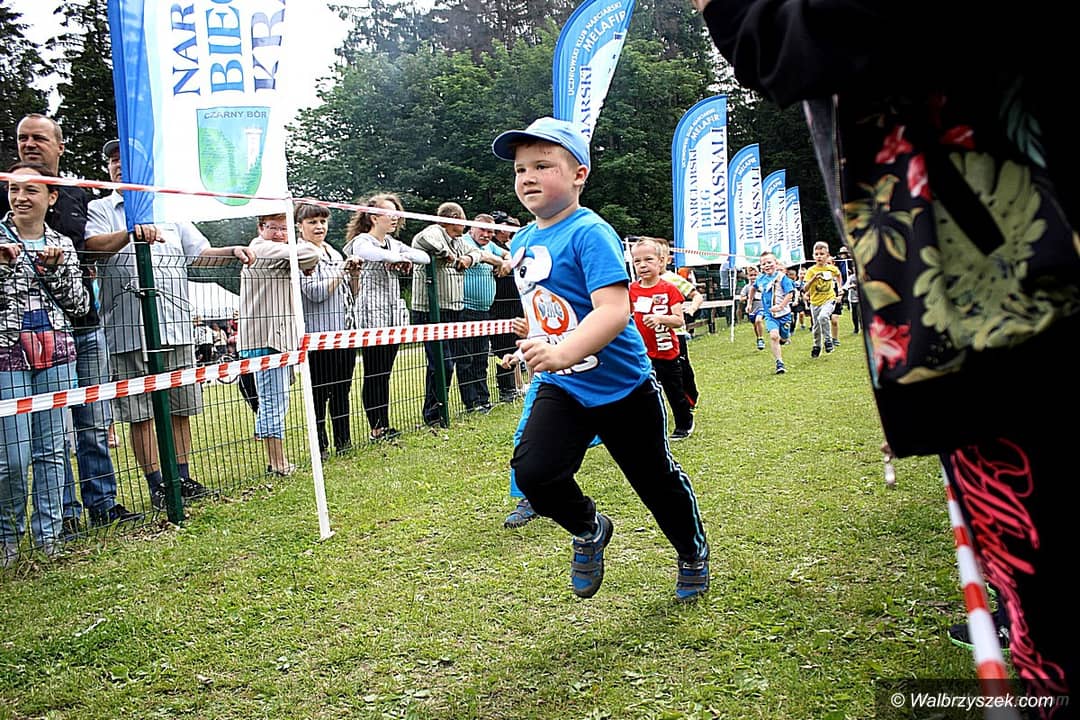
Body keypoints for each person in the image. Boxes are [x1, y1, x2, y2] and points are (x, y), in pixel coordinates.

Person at [694, 0, 1078, 710]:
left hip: (1017, 300)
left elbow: (814, 37)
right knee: (1025, 587)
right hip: (988, 298)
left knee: (1047, 611)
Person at [491, 116, 709, 602]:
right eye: (521, 169)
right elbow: (550, 305)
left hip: (622, 387)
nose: (527, 177)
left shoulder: (591, 231)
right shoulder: (522, 241)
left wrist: (560, 350)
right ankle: (590, 528)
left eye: (542, 166)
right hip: (564, 385)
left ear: (579, 175)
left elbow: (612, 311)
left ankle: (691, 552)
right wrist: (532, 337)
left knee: (654, 481)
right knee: (534, 474)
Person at [86, 139, 254, 511]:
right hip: (127, 327)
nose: (118, 165)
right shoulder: (101, 208)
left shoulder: (170, 209)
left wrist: (231, 252)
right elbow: (93, 247)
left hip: (175, 326)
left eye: (126, 159)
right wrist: (130, 233)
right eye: (112, 160)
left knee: (181, 406)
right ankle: (157, 485)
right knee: (140, 412)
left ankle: (181, 477)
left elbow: (199, 255)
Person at [1, 115, 141, 536]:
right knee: (29, 443)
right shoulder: (5, 189)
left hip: (79, 323)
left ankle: (98, 504)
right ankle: (59, 517)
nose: (29, 144)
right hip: (14, 342)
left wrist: (122, 237)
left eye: (39, 138)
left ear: (59, 147)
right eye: (22, 138)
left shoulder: (79, 194)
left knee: (88, 421)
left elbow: (86, 250)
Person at [0, 161, 90, 562]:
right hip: (7, 356)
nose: (20, 197)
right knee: (12, 456)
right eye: (14, 189)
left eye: (31, 190)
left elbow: (80, 305)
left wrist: (54, 271)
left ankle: (48, 540)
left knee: (52, 450)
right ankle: (7, 539)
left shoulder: (63, 244)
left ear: (51, 197)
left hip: (55, 354)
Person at [238, 212, 320, 476]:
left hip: (277, 337)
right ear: (260, 228)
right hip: (265, 338)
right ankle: (277, 462)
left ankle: (275, 456)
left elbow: (309, 258)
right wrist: (300, 258)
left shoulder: (279, 253)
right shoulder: (261, 248)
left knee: (276, 399)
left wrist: (302, 262)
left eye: (284, 229)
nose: (279, 234)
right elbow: (311, 252)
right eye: (273, 227)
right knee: (273, 401)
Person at [344, 193, 430, 441]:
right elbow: (369, 254)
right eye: (390, 214)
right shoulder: (362, 241)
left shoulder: (393, 243)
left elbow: (423, 257)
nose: (395, 218)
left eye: (396, 214)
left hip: (392, 313)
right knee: (374, 371)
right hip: (372, 313)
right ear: (374, 217)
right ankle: (377, 427)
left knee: (385, 371)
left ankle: (384, 424)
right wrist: (397, 258)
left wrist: (403, 257)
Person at [409, 202, 481, 428]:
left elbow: (476, 252)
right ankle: (433, 414)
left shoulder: (459, 241)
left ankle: (438, 411)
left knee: (449, 363)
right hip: (430, 311)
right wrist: (446, 254)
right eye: (463, 219)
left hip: (453, 309)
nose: (465, 225)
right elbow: (423, 240)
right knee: (442, 364)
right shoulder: (433, 231)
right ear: (453, 218)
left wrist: (467, 260)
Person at [296, 202, 359, 460]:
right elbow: (315, 292)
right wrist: (342, 271)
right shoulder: (300, 254)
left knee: (342, 391)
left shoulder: (333, 252)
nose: (319, 226)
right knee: (319, 394)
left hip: (344, 334)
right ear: (300, 226)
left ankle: (344, 442)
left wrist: (354, 275)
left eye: (322, 221)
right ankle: (320, 446)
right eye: (312, 222)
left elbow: (351, 294)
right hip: (318, 337)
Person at [629, 238, 694, 440]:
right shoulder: (631, 290)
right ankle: (647, 426)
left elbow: (679, 320)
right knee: (641, 392)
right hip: (641, 352)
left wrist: (660, 318)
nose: (642, 265)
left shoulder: (669, 289)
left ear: (660, 261)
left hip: (666, 351)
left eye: (648, 259)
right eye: (637, 261)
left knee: (674, 390)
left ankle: (684, 422)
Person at [458, 212, 511, 413]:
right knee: (466, 359)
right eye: (483, 230)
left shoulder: (491, 245)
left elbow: (508, 254)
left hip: (485, 311)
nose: (487, 235)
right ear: (471, 227)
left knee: (481, 358)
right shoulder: (463, 242)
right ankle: (471, 403)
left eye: (491, 232)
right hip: (464, 309)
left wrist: (506, 262)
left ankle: (483, 399)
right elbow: (484, 257)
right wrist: (500, 262)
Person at [653, 237, 703, 410]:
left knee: (681, 367)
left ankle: (690, 399)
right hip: (652, 335)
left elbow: (697, 296)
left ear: (667, 260)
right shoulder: (641, 283)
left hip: (675, 333)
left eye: (661, 258)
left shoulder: (672, 279)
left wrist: (691, 310)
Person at [489, 212, 524, 403]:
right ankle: (507, 388)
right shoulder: (492, 245)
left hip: (516, 303)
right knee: (503, 346)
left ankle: (517, 385)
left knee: (516, 343)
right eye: (507, 225)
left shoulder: (508, 246)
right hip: (500, 304)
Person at [745, 251, 793, 374]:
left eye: (769, 262)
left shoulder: (782, 278)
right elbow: (753, 288)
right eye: (764, 264)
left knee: (784, 337)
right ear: (761, 266)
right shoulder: (761, 279)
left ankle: (784, 338)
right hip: (770, 315)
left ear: (775, 263)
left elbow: (790, 294)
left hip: (784, 314)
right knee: (773, 336)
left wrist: (781, 306)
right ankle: (779, 363)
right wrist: (749, 303)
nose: (767, 265)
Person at [802, 241, 843, 358]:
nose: (819, 256)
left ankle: (828, 341)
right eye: (816, 254)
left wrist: (840, 287)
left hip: (829, 299)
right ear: (813, 256)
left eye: (822, 254)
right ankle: (817, 346)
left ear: (827, 255)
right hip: (815, 302)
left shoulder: (831, 269)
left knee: (823, 317)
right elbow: (805, 288)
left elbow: (838, 274)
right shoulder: (811, 271)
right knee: (816, 326)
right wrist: (813, 279)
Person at [738, 265, 765, 349]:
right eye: (751, 275)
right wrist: (748, 297)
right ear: (747, 276)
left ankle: (761, 338)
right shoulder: (746, 287)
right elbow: (741, 298)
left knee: (758, 320)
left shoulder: (761, 285)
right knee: (755, 325)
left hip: (761, 306)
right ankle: (758, 338)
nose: (753, 277)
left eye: (755, 275)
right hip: (751, 308)